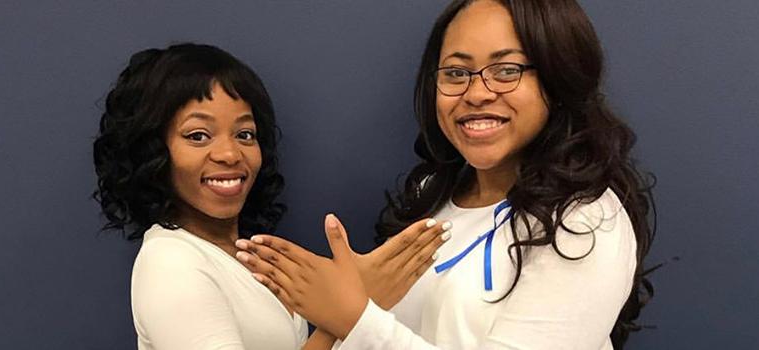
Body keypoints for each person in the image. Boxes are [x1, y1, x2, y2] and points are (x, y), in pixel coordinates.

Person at [236, 1, 655, 349]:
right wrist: (354, 302)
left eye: (506, 70)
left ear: (557, 76)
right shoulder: (430, 197)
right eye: (456, 73)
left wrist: (355, 316)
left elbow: (369, 331)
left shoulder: (583, 220)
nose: (476, 93)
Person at [93, 43, 451, 350]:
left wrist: (355, 306)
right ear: (154, 152)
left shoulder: (243, 258)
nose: (230, 154)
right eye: (199, 135)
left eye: (245, 134)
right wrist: (349, 313)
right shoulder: (171, 261)